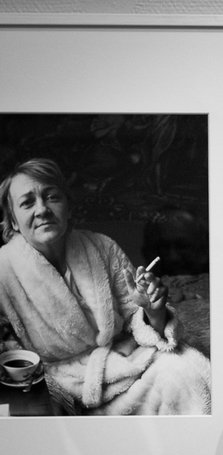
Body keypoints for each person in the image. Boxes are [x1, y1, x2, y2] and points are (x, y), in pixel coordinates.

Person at [0, 158, 211, 415]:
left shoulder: (102, 247)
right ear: (13, 221)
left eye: (52, 197)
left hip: (121, 369)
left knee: (187, 368)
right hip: (55, 387)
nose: (42, 209)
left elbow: (136, 317)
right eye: (27, 203)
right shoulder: (3, 271)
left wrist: (152, 311)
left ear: (68, 206)